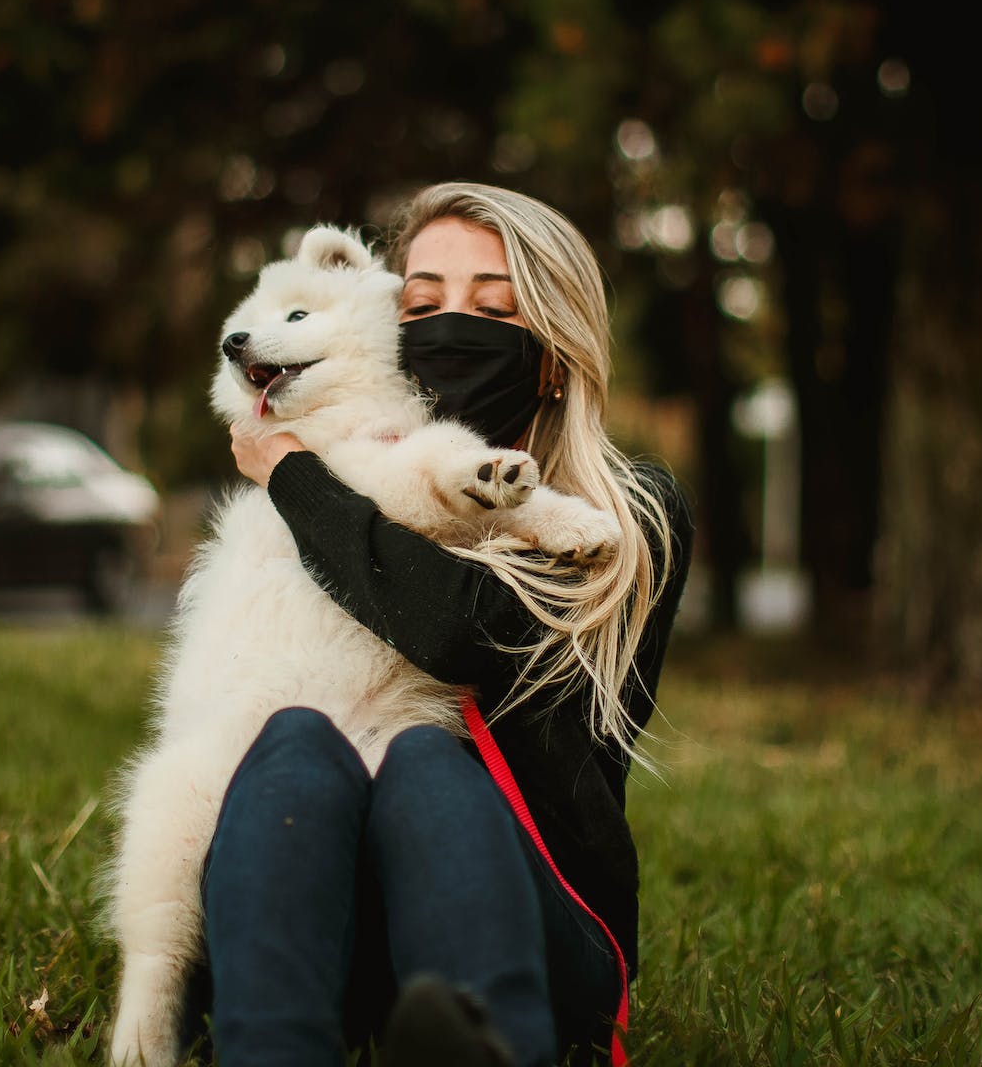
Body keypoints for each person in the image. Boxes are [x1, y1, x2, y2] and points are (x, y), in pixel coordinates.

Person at [203, 182, 693, 1067]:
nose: (448, 329)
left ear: (552, 352)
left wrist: (295, 478)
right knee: (293, 743)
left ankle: (494, 1042)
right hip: (344, 920)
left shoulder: (626, 515)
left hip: (540, 922)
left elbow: (459, 630)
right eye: (421, 303)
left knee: (423, 755)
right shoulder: (340, 479)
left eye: (493, 308)